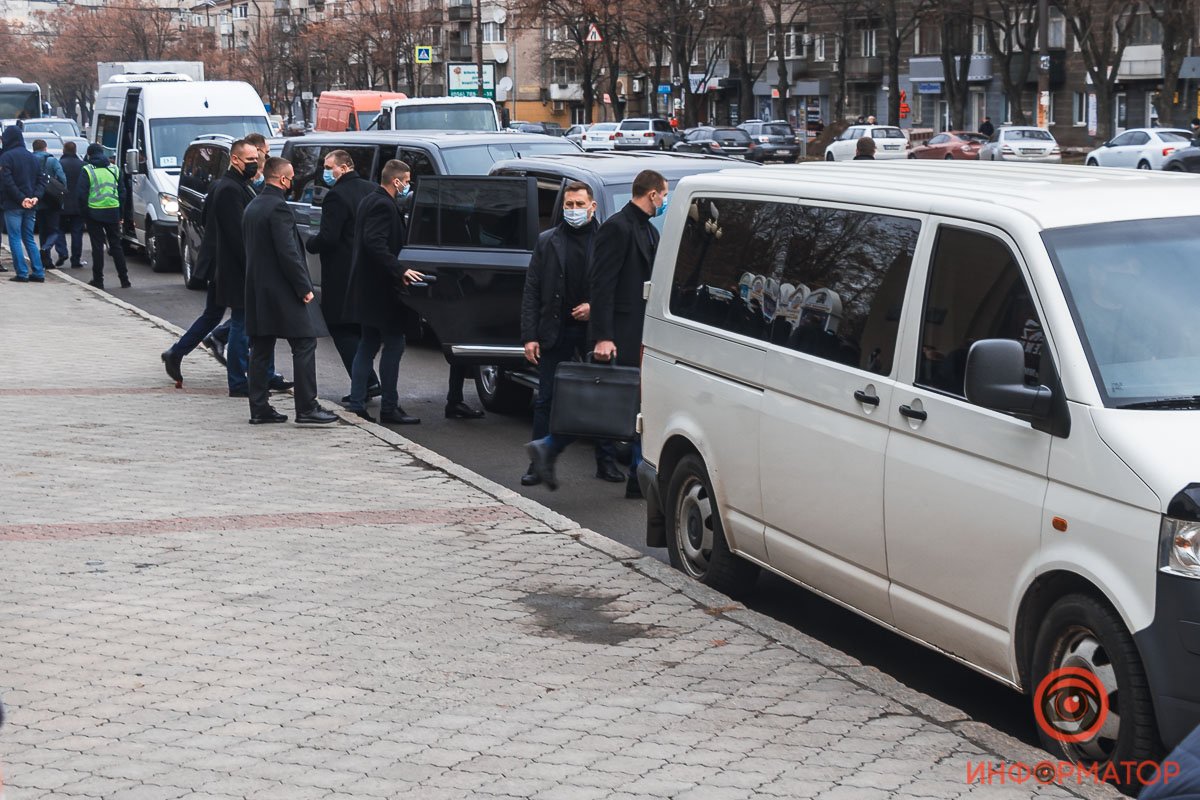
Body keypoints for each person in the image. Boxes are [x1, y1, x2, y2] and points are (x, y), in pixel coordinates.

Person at [526, 169, 666, 497]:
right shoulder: (617, 228)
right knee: (603, 405)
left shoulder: (648, 231)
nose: (664, 200)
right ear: (653, 194)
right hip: (615, 335)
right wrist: (603, 335)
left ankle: (635, 476)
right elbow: (603, 285)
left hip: (637, 334)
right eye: (664, 194)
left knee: (630, 405)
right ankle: (547, 447)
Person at [162, 139, 290, 393]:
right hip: (234, 269)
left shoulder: (235, 185)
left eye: (258, 159)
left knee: (214, 316)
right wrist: (255, 269)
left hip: (225, 267)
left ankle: (177, 352)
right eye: (252, 160)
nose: (256, 164)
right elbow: (237, 236)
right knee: (243, 324)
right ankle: (239, 381)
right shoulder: (230, 189)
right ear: (235, 159)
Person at [519, 182, 623, 487]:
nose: (574, 210)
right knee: (546, 399)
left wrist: (595, 307)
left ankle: (606, 462)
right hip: (556, 330)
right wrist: (529, 336)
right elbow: (532, 290)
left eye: (579, 204)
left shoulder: (606, 240)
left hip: (596, 331)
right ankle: (536, 465)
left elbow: (618, 287)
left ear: (592, 207)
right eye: (569, 205)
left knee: (602, 398)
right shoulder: (548, 241)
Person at [242, 157, 335, 425]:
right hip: (282, 291)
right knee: (305, 342)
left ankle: (259, 408)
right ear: (283, 179)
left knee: (260, 348)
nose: (292, 182)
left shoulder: (253, 206)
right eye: (291, 177)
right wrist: (304, 287)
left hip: (257, 290)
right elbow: (288, 253)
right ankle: (307, 408)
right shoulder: (279, 208)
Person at [342, 159, 422, 425]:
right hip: (380, 290)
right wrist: (400, 270)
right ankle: (389, 407)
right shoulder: (382, 204)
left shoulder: (371, 200)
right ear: (396, 180)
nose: (408, 185)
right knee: (393, 344)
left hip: (369, 289)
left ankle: (357, 403)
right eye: (406, 180)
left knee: (368, 344)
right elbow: (375, 243)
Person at [304, 148, 379, 399]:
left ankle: (365, 382)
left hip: (342, 273)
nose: (326, 172)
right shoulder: (371, 190)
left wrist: (310, 243)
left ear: (344, 167)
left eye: (328, 167)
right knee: (360, 328)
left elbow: (330, 237)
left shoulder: (336, 196)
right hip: (368, 270)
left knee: (341, 328)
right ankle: (369, 382)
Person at [77, 143, 128, 289]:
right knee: (116, 246)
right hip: (113, 211)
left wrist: (84, 215)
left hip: (94, 213)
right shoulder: (114, 169)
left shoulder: (87, 170)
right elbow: (122, 194)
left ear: (89, 155)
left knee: (97, 248)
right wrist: (121, 214)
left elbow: (82, 195)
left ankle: (98, 280)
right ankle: (124, 279)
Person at [0, 126, 48, 283]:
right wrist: (35, 197)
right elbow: (41, 180)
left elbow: (7, 181)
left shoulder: (6, 157)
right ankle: (39, 272)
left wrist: (21, 198)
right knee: (29, 238)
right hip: (31, 204)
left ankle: (21, 273)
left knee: (14, 238)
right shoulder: (32, 157)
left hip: (13, 204)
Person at [31, 139, 67, 268]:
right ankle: (46, 248)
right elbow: (62, 178)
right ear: (45, 148)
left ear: (34, 148)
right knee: (54, 230)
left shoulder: (30, 160)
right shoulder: (51, 161)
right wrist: (62, 191)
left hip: (37, 199)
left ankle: (46, 260)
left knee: (42, 230)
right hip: (53, 200)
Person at [58, 140, 85, 269]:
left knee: (59, 229)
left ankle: (62, 252)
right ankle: (76, 259)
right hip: (78, 204)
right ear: (75, 151)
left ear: (64, 150)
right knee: (77, 232)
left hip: (61, 203)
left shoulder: (59, 164)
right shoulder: (82, 165)